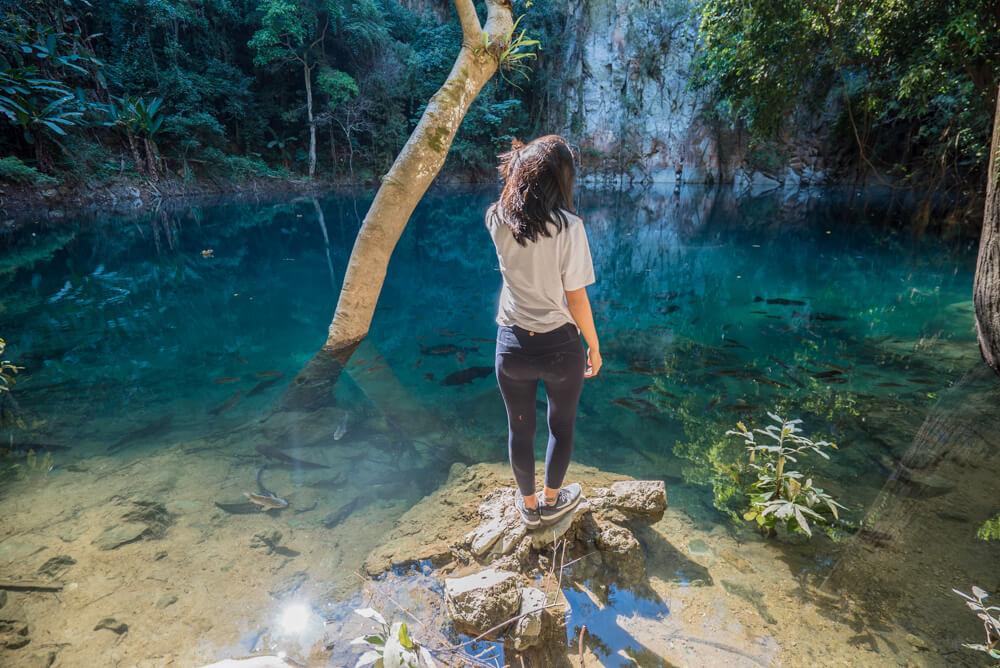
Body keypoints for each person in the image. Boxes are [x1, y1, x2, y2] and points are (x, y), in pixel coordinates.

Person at [486, 135, 602, 529]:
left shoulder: (495, 218)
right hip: (560, 347)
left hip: (512, 346)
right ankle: (552, 502)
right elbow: (577, 299)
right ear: (560, 179)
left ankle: (528, 506)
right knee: (561, 425)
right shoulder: (569, 227)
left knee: (519, 428)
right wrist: (594, 345)